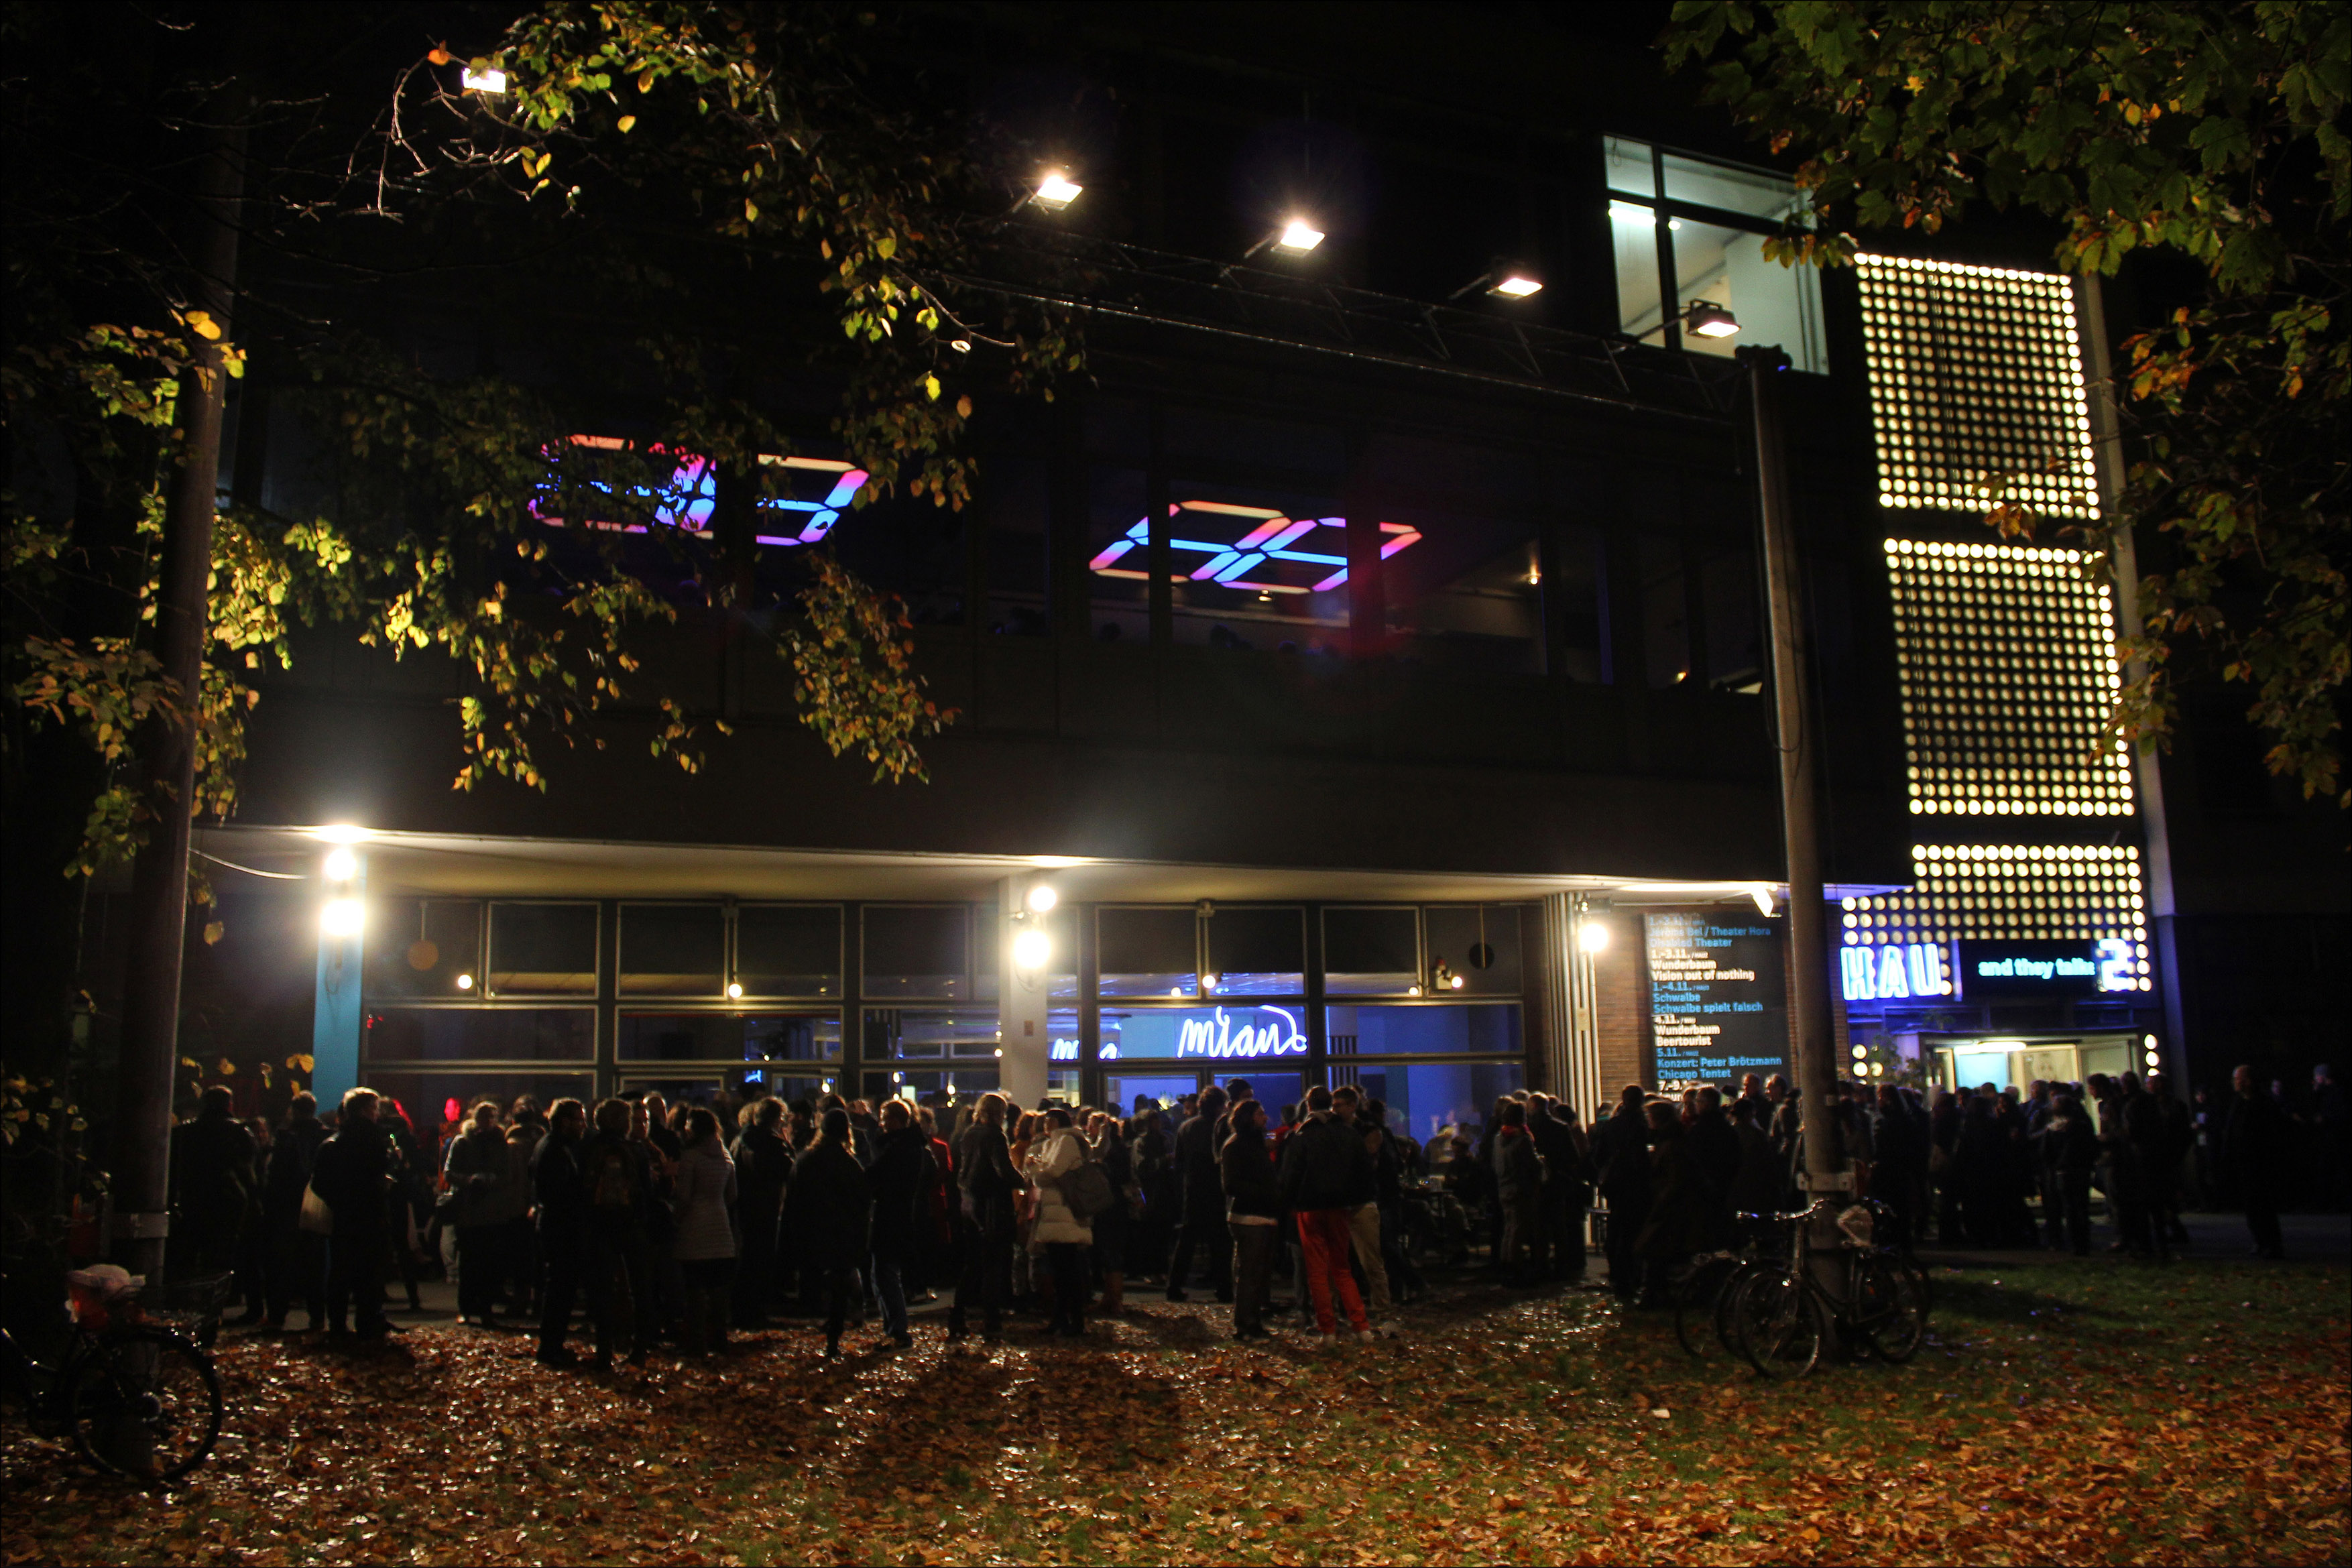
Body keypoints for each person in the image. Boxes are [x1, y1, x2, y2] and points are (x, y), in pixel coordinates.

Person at [1277, 1085, 1374, 1348]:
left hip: (1309, 1208)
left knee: (1317, 1272)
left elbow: (1290, 1175)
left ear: (1308, 1106)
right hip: (1339, 1207)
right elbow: (1364, 1170)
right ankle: (1361, 1325)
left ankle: (1328, 1330)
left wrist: (1288, 1204)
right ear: (1331, 1105)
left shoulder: (1302, 1137)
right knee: (1342, 1269)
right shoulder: (1348, 1134)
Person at [785, 1107, 873, 1356]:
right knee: (839, 1287)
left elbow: (794, 1198)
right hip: (841, 1233)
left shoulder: (806, 1160)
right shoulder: (849, 1163)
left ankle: (823, 1329)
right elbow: (862, 1201)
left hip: (812, 1230)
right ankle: (834, 1334)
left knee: (816, 1281)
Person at [312, 1087, 395, 1341]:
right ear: (365, 1110)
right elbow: (379, 1169)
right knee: (369, 1271)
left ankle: (337, 1323)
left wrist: (339, 1202)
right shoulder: (372, 1138)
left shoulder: (333, 1144)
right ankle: (368, 1321)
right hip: (371, 1214)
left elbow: (319, 1183)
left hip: (344, 1216)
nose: (377, 1114)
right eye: (374, 1108)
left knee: (341, 1271)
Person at [577, 1097, 655, 1366]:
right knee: (640, 1287)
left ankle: (604, 1351)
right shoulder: (635, 1151)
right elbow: (646, 1192)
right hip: (631, 1224)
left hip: (599, 1225)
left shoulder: (587, 1149)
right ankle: (640, 1349)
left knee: (603, 1288)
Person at [952, 1092, 1024, 1341]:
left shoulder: (970, 1134)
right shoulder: (995, 1136)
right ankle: (992, 1319)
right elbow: (1003, 1170)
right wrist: (1024, 1180)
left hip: (971, 1202)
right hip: (992, 1204)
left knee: (973, 1263)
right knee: (993, 1263)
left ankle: (958, 1315)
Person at [668, 1106, 738, 1355]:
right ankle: (720, 1338)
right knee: (718, 1288)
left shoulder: (691, 1157)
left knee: (695, 1288)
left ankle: (697, 1341)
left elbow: (685, 1196)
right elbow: (733, 1194)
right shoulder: (725, 1155)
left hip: (695, 1227)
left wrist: (677, 1218)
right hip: (720, 1226)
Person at [170, 1084, 258, 1278]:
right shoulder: (239, 1132)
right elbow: (248, 1173)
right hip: (227, 1202)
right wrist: (253, 1203)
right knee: (221, 1257)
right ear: (229, 1105)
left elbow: (173, 1170)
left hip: (191, 1200)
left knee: (187, 1256)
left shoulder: (183, 1132)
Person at [867, 1099, 933, 1349]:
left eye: (885, 1119)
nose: (882, 1124)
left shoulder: (898, 1148)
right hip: (898, 1215)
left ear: (895, 1121)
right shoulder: (910, 1145)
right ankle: (894, 1328)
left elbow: (876, 1175)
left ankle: (897, 1330)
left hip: (891, 1216)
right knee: (885, 1273)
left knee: (884, 1273)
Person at [443, 1101, 515, 1327]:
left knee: (488, 1265)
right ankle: (466, 1308)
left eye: (492, 1117)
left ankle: (485, 1309)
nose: (489, 1121)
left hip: (491, 1211)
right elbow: (449, 1172)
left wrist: (491, 1180)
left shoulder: (500, 1143)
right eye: (485, 1117)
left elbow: (508, 1174)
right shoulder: (463, 1142)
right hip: (470, 1210)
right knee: (468, 1263)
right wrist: (470, 1180)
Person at [1024, 1107, 1094, 1337]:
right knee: (1062, 1270)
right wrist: (1039, 1170)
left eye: (1048, 1121)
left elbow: (1052, 1173)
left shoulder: (1066, 1142)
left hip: (1064, 1212)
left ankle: (1073, 1320)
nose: (1044, 1125)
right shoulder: (1052, 1143)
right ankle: (1063, 1318)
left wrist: (1035, 1169)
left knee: (1067, 1269)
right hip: (1055, 1212)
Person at [261, 1091, 329, 1331]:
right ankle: (317, 1317)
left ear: (295, 1110)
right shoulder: (325, 1137)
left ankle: (277, 1316)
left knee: (283, 1265)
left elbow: (275, 1177)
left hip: (287, 1209)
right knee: (315, 1266)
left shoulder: (285, 1138)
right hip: (316, 1207)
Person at [532, 1099, 589, 1366]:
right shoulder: (556, 1150)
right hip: (560, 1227)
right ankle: (551, 1347)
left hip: (555, 1224)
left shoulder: (550, 1145)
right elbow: (559, 1193)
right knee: (560, 1288)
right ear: (566, 1121)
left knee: (559, 1287)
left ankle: (552, 1345)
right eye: (580, 1120)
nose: (584, 1125)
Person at [1219, 1099, 1283, 1340]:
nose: (1265, 1118)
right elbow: (1231, 1184)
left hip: (1259, 1213)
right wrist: (1268, 1193)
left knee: (1257, 1272)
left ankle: (1251, 1320)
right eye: (1260, 1114)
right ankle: (1246, 1322)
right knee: (1250, 1272)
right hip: (1250, 1215)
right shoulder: (1238, 1145)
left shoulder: (1251, 1144)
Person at [1635, 1102, 1709, 1304]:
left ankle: (1655, 1294)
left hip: (1670, 1207)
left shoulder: (1670, 1144)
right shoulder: (1673, 1140)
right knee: (1660, 1251)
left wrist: (1661, 1200)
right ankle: (1659, 1292)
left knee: (1656, 1249)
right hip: (1671, 1205)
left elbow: (1675, 1179)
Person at [1166, 1085, 1233, 1303]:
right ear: (1219, 1106)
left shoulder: (1186, 1127)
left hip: (1193, 1189)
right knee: (1220, 1242)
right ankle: (1224, 1288)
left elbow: (1179, 1162)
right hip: (1217, 1190)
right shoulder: (1222, 1127)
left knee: (1187, 1241)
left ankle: (1174, 1286)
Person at [1331, 1086, 1391, 1310]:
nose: (1334, 1110)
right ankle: (1347, 1304)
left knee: (1371, 1259)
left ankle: (1381, 1304)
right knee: (1342, 1260)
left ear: (1352, 1106)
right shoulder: (1339, 1131)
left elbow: (1366, 1161)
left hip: (1360, 1200)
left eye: (1338, 1105)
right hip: (1345, 1201)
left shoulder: (1366, 1130)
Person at [2223, 1064, 2290, 1259]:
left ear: (2248, 1081)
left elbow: (2272, 1134)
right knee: (2251, 1206)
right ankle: (2260, 1240)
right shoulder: (2238, 1104)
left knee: (2263, 1205)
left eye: (2238, 1079)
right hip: (2244, 1163)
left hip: (2260, 1163)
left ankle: (2271, 1243)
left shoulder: (2263, 1104)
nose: (2235, 1083)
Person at [1594, 1086, 1651, 1303]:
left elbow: (1598, 1155)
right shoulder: (1644, 1125)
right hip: (1637, 1184)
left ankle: (1618, 1274)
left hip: (1616, 1183)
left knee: (1617, 1227)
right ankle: (1633, 1276)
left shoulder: (1613, 1125)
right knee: (1634, 1230)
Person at [2034, 1089, 2099, 1255]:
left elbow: (2044, 1153)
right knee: (2080, 1207)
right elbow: (2092, 1148)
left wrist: (2053, 1167)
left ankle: (2068, 1242)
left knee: (2065, 1208)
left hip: (2060, 1173)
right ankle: (2082, 1243)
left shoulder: (2052, 1129)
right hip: (2080, 1171)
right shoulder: (2082, 1127)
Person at [1489, 1099, 1544, 1285]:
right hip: (1520, 1188)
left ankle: (1505, 1262)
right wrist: (1541, 1162)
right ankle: (1515, 1267)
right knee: (1518, 1229)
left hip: (1503, 1187)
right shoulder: (1523, 1139)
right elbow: (1533, 1164)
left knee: (1509, 1228)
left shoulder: (1499, 1138)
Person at [1086, 1111, 1134, 1316]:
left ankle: (1115, 1299)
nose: (1088, 1129)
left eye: (1091, 1125)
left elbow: (1118, 1176)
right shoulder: (1119, 1148)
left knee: (1110, 1252)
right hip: (1115, 1205)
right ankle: (1111, 1297)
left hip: (1108, 1205)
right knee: (1110, 1252)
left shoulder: (1110, 1151)